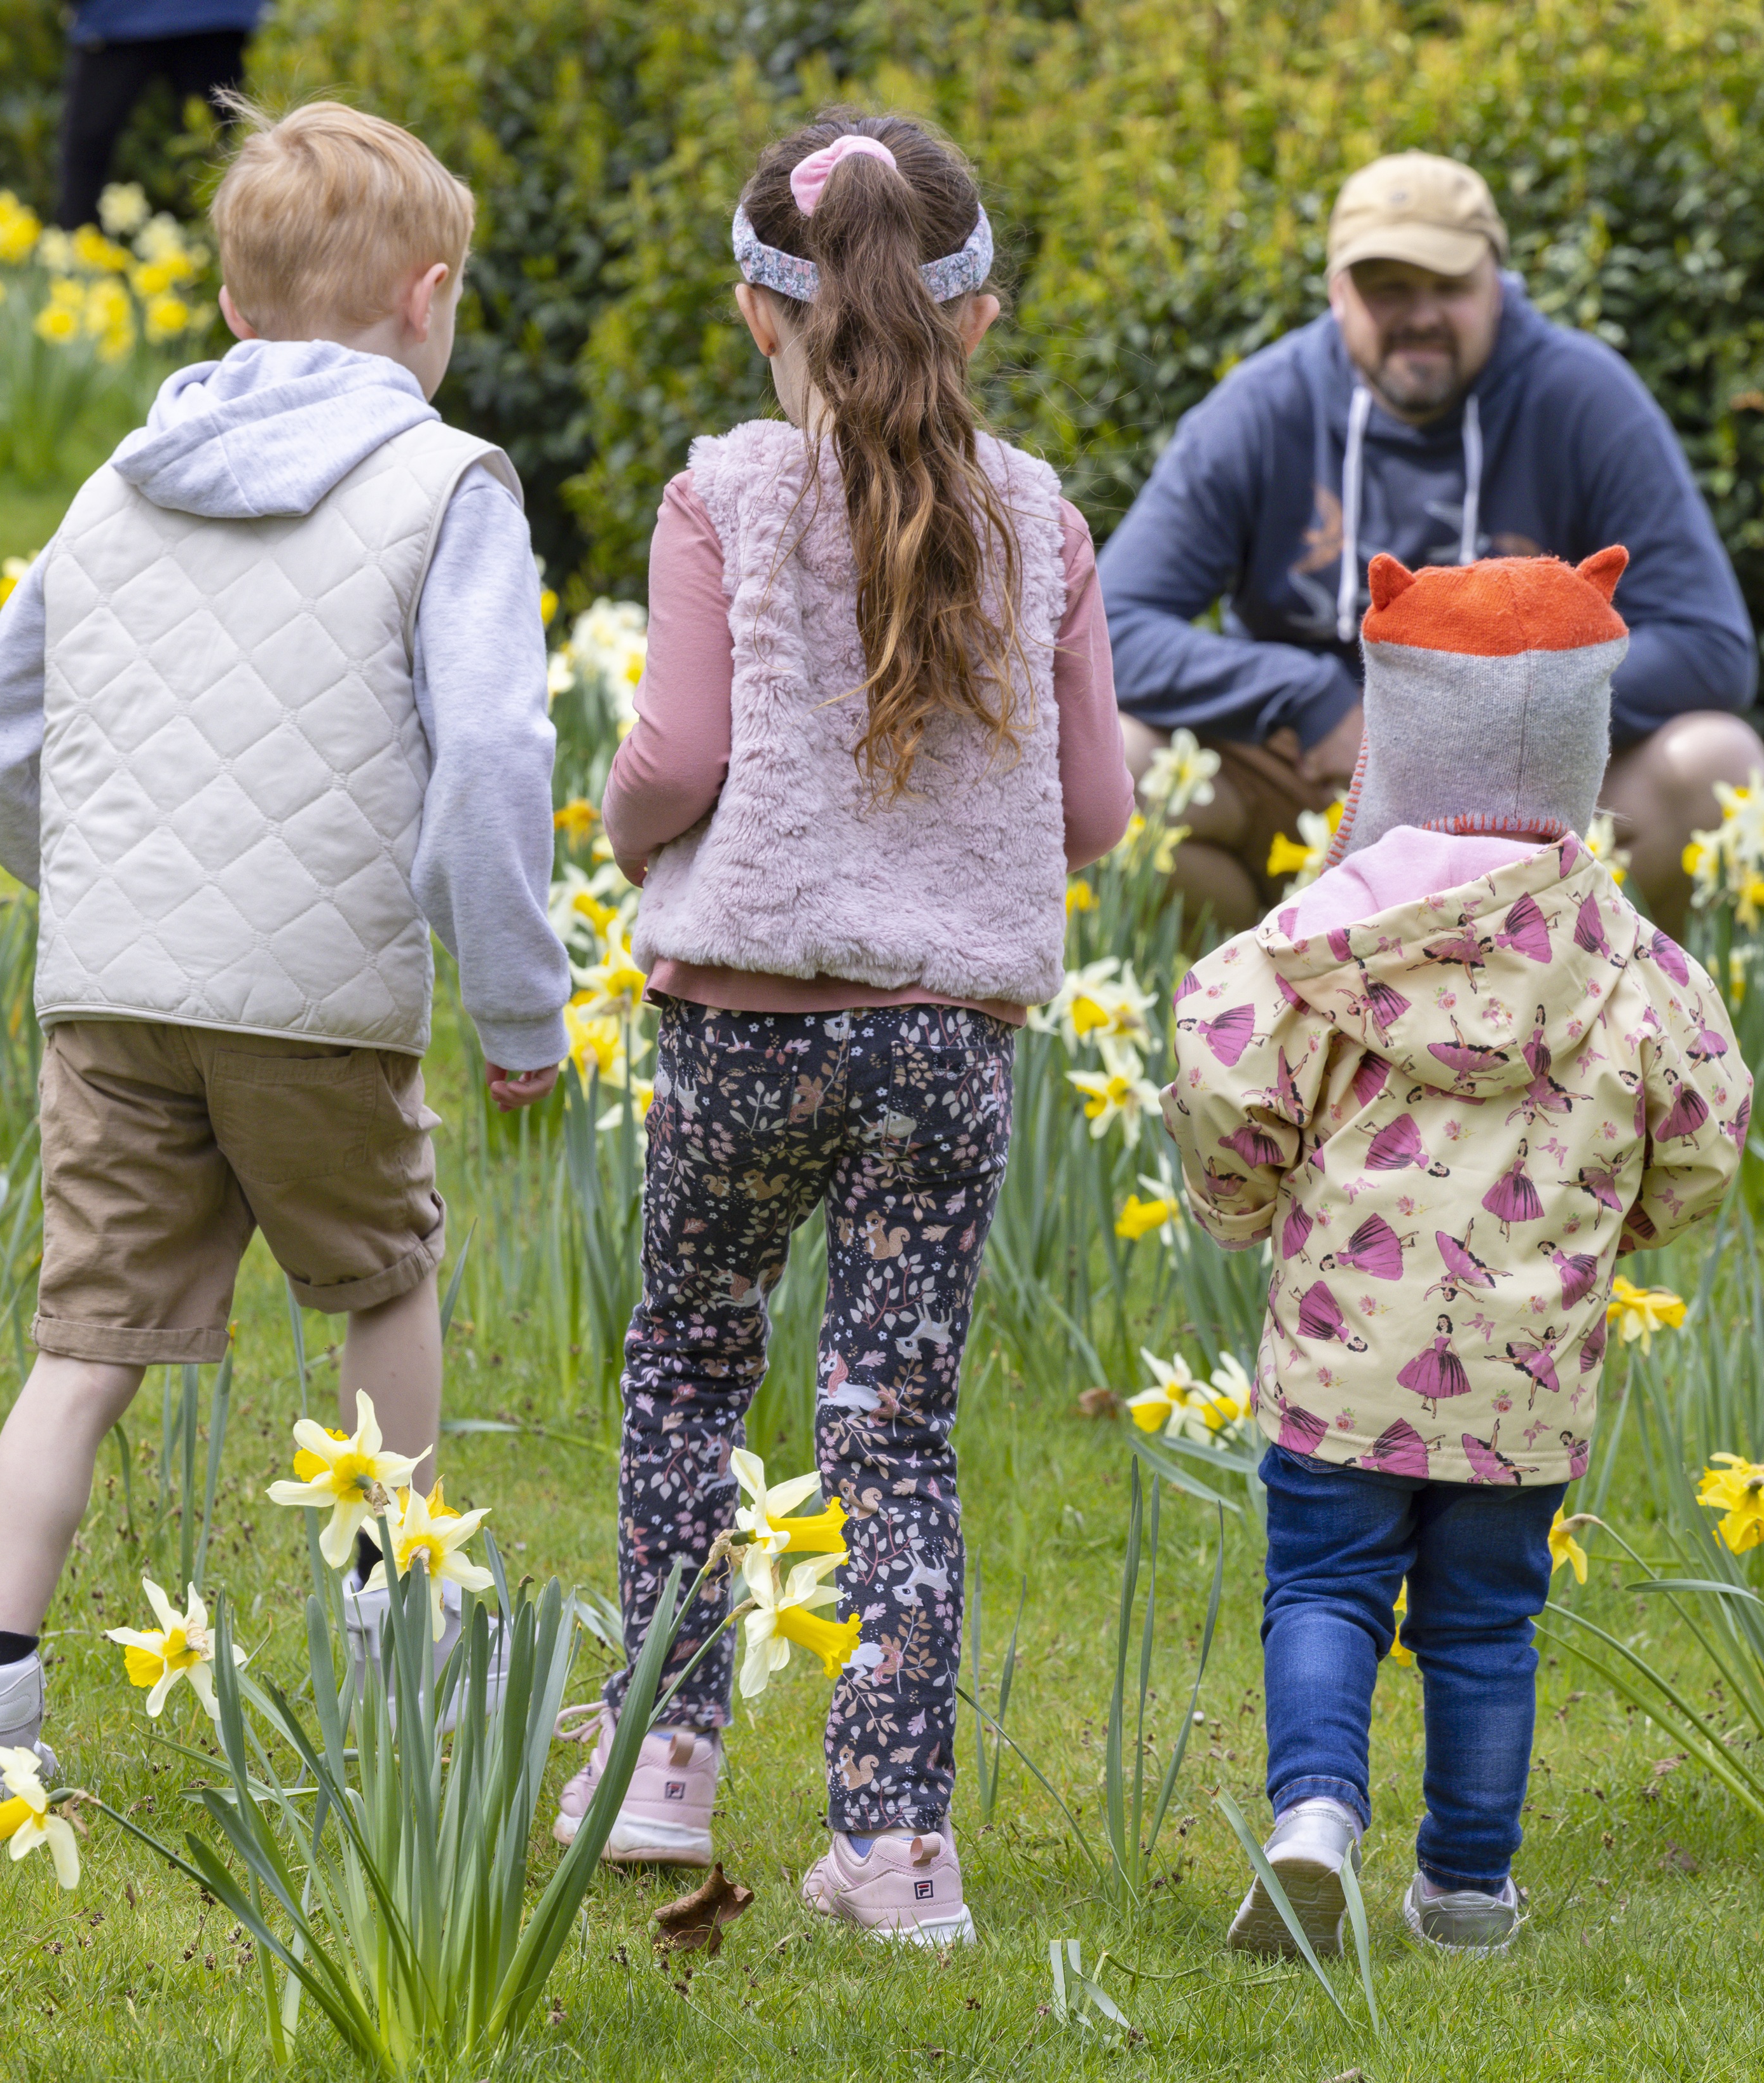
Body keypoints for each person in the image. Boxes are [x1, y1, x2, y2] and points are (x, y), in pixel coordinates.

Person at [0, 99, 570, 1804]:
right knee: (379, 1278)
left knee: (85, 1344)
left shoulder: (115, 482)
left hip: (114, 991)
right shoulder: (448, 486)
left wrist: (89, 888)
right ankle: (388, 1645)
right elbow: (496, 764)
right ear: (431, 298)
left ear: (230, 308)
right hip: (321, 1000)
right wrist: (518, 1002)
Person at [569, 109, 1129, 1940]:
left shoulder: (723, 495)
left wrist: (620, 825)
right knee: (890, 1423)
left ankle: (662, 1762)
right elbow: (1099, 812)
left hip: (744, 1022)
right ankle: (895, 1851)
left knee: (688, 1364)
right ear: (976, 317)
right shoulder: (1038, 517)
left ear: (756, 310)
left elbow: (678, 762)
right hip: (943, 1040)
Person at [1165, 545, 1751, 1956]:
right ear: (1582, 741)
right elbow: (1706, 1125)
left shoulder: (1325, 940)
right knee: (1487, 1626)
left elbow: (1220, 1062)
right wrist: (1639, 1219)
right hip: (1523, 1377)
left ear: (1401, 727)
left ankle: (1313, 1815)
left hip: (1341, 1364)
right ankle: (1468, 1889)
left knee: (1324, 1589)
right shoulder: (1627, 956)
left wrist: (1243, 1204)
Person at [1102, 149, 1764, 926]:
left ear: (1496, 285)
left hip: (1538, 815)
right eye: (1389, 289)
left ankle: (1591, 1024)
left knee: (1718, 765)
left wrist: (1501, 717)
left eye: (1448, 286)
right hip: (1313, 792)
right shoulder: (1262, 408)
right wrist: (1304, 698)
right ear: (1337, 292)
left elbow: (1712, 645)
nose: (1420, 315)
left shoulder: (1583, 398)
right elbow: (1106, 629)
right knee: (1120, 764)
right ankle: (1261, 1006)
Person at [55, 0, 262, 232]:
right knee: (217, 155)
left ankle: (217, 252)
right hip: (120, 17)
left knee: (216, 156)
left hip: (206, 17)